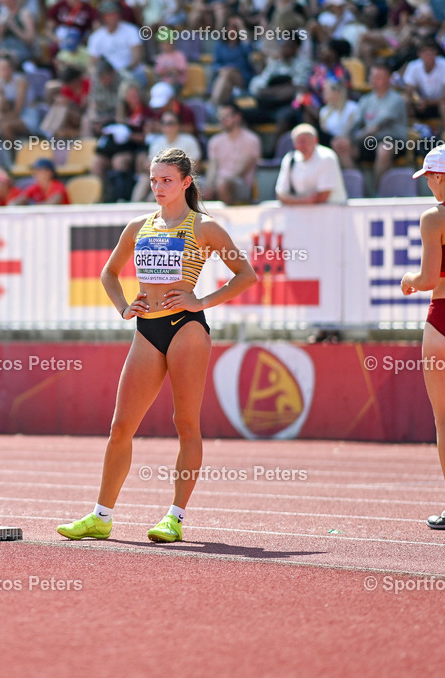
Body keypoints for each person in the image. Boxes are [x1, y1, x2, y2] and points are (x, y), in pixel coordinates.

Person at [57, 148, 257, 544]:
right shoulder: (138, 225)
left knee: (185, 424)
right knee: (120, 427)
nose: (158, 187)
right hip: (147, 330)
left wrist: (199, 301)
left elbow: (246, 275)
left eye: (166, 180)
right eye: (153, 180)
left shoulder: (204, 227)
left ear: (186, 182)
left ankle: (175, 518)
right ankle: (101, 516)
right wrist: (123, 306)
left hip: (187, 329)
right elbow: (109, 273)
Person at [403, 145, 445, 530]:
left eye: (429, 180)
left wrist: (408, 281)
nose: (429, 188)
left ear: (440, 177)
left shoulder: (435, 217)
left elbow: (429, 279)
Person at [203, 103, 261, 205]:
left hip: (241, 183)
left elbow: (241, 171)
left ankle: (230, 219)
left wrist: (217, 184)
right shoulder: (215, 141)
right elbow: (213, 167)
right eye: (220, 117)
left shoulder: (251, 139)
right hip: (219, 181)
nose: (222, 120)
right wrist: (209, 186)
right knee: (192, 186)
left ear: (237, 117)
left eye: (226, 116)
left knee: (222, 184)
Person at [275, 123, 348, 205]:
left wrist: (294, 201)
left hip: (333, 214)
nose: (301, 145)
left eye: (304, 141)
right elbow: (281, 195)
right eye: (298, 142)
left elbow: (322, 197)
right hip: (301, 215)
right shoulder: (289, 159)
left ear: (315, 140)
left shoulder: (327, 157)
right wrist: (304, 201)